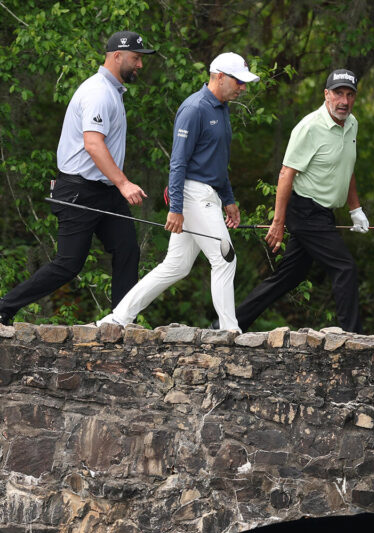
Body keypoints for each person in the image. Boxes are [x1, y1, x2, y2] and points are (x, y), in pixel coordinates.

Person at [0, 31, 156, 326]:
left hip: (105, 190)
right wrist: (124, 183)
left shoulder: (112, 91)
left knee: (127, 250)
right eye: (136, 58)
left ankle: (121, 321)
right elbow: (93, 144)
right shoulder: (99, 92)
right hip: (79, 191)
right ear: (116, 56)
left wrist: (117, 185)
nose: (140, 65)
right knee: (69, 264)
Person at [97, 53, 259, 330]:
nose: (242, 88)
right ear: (219, 76)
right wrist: (176, 208)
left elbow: (218, 163)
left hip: (210, 195)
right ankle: (229, 331)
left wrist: (229, 200)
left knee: (176, 266)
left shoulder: (222, 109)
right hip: (192, 194)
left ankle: (116, 318)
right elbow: (178, 161)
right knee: (224, 257)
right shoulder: (194, 108)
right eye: (238, 81)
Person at [233, 68, 370, 334]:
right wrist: (278, 222)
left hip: (323, 213)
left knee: (288, 277)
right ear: (326, 94)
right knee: (344, 267)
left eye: (349, 94)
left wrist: (356, 209)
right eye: (338, 93)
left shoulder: (352, 123)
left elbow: (347, 167)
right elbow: (286, 173)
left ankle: (230, 324)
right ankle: (354, 337)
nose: (344, 101)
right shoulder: (309, 127)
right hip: (305, 211)